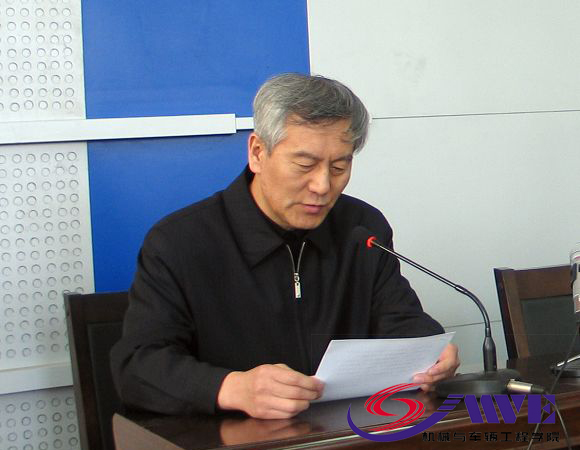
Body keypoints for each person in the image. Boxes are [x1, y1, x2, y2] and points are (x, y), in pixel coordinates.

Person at [110, 73, 460, 420]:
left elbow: (399, 320)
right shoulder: (180, 242)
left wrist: (431, 350)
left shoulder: (362, 228)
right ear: (258, 153)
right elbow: (138, 366)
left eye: (340, 166)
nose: (322, 185)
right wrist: (232, 388)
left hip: (346, 434)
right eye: (305, 165)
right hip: (233, 440)